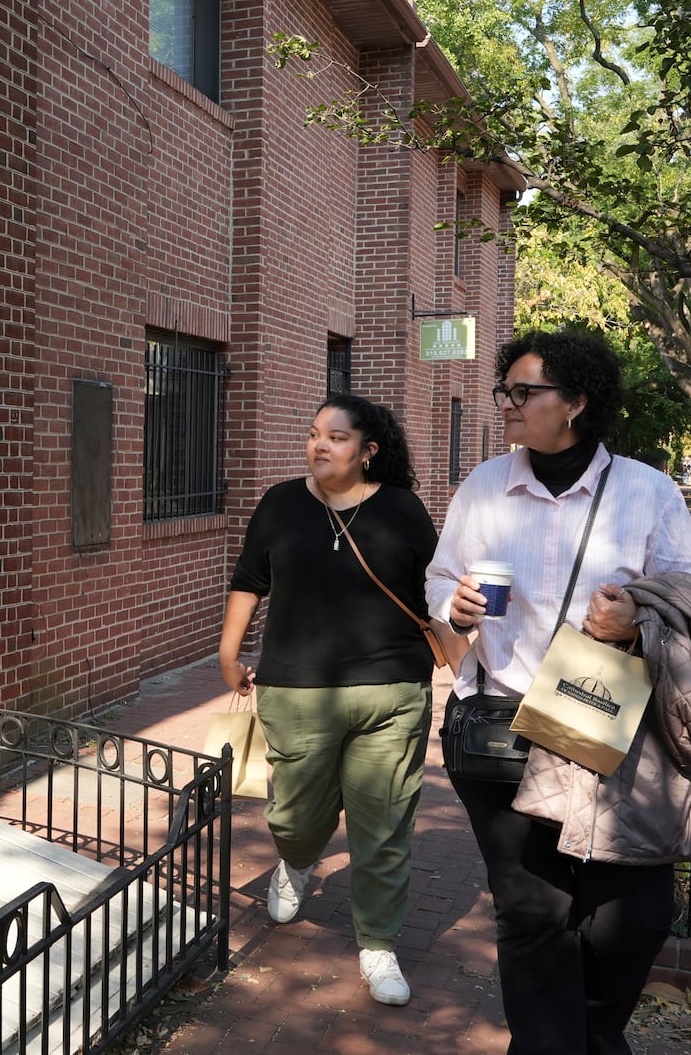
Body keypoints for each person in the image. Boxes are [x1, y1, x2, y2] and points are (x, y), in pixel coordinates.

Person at [426, 328, 691, 1054]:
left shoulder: (646, 491)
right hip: (504, 725)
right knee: (532, 912)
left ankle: (588, 1033)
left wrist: (636, 614)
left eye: (525, 392)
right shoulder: (483, 486)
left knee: (633, 913)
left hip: (608, 728)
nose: (509, 404)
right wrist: (454, 606)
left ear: (578, 403)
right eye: (507, 390)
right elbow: (441, 578)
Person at [219, 393, 438, 1007]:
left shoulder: (402, 510)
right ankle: (295, 859)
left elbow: (436, 590)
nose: (319, 445)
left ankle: (378, 945)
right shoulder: (282, 503)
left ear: (369, 451)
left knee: (384, 823)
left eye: (336, 437)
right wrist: (229, 651)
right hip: (296, 686)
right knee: (294, 815)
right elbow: (249, 579)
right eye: (315, 433)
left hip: (391, 688)